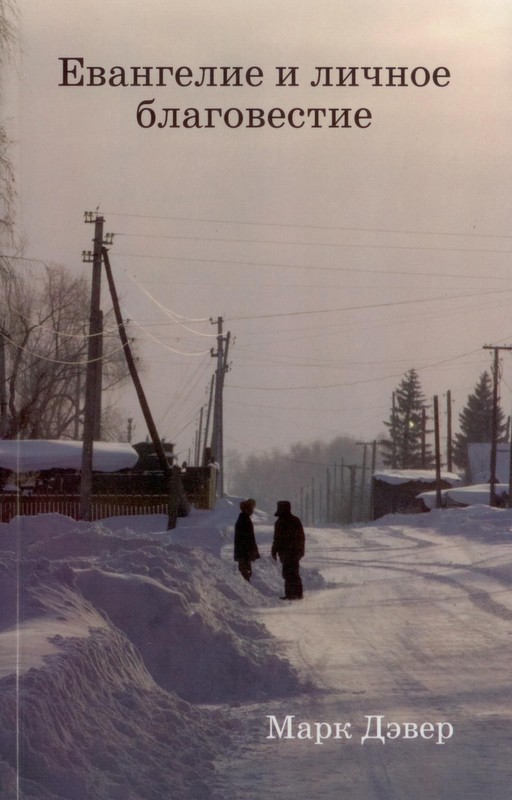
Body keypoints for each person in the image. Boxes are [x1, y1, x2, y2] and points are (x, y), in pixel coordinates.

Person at [271, 500, 305, 600]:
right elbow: (301, 537)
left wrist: (274, 551)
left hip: (286, 553)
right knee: (294, 573)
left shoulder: (280, 523)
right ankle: (298, 594)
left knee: (288, 573)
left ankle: (290, 594)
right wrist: (300, 550)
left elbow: (277, 539)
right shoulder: (295, 520)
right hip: (294, 552)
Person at [234, 498, 260, 582]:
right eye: (252, 508)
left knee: (246, 571)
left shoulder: (243, 518)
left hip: (243, 552)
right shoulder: (245, 520)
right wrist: (253, 551)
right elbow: (249, 538)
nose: (252, 511)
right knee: (245, 572)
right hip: (244, 552)